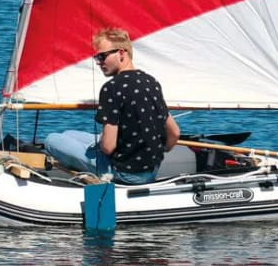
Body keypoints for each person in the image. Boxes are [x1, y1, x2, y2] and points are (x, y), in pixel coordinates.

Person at [44, 27, 181, 185]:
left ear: (121, 53)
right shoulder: (151, 82)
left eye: (102, 56)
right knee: (69, 133)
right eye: (97, 58)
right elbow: (175, 133)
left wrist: (100, 148)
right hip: (151, 170)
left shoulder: (112, 88)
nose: (99, 63)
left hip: (122, 172)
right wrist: (157, 153)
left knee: (51, 139)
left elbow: (108, 147)